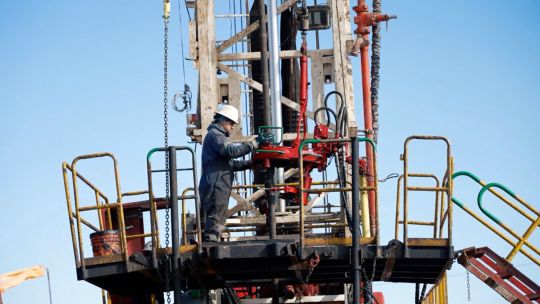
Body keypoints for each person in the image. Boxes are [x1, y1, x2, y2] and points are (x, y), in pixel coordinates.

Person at [199, 105, 272, 242]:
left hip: (218, 183)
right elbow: (231, 152)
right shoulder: (215, 135)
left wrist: (250, 164)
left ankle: (212, 240)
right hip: (216, 185)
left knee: (217, 217)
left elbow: (230, 164)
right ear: (222, 120)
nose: (232, 127)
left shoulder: (217, 136)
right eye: (231, 123)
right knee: (215, 219)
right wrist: (254, 143)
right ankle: (211, 243)